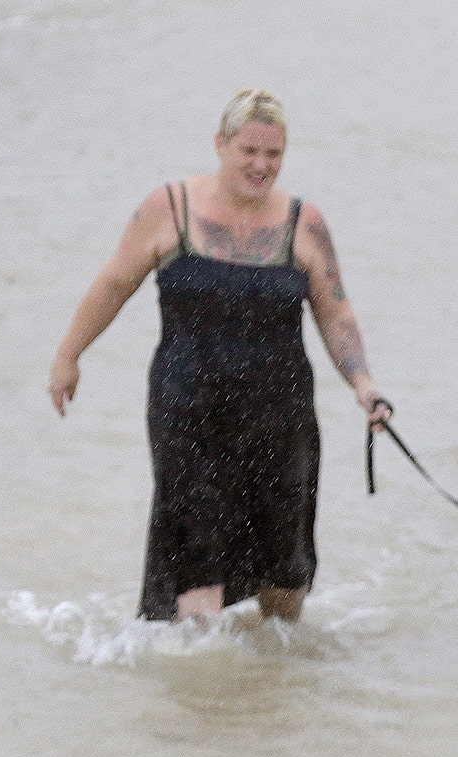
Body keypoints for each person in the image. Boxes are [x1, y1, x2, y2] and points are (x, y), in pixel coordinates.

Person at [50, 89, 391, 623]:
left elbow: (336, 313)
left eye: (273, 155)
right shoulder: (170, 208)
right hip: (188, 412)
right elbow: (115, 283)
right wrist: (69, 354)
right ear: (220, 144)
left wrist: (364, 385)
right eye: (248, 151)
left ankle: (272, 689)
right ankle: (203, 695)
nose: (260, 165)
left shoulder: (305, 224)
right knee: (196, 563)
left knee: (286, 570)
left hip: (279, 417)